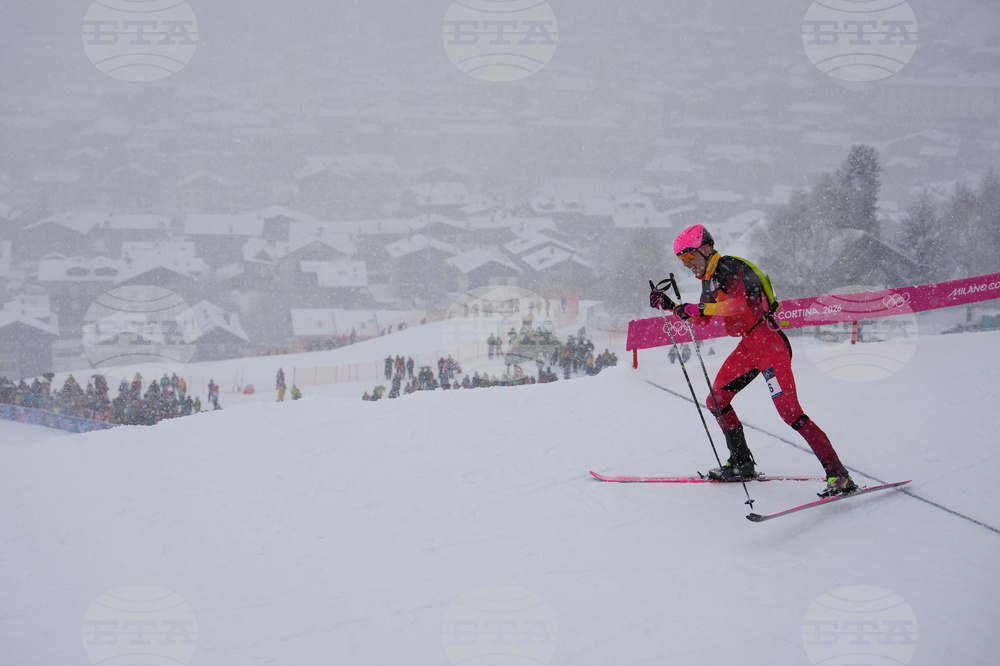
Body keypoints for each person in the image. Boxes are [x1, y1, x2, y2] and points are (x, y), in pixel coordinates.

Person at [649, 224, 856, 497]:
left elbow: (737, 305)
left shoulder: (728, 267)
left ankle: (839, 475)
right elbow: (702, 318)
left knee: (790, 414)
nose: (687, 264)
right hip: (748, 346)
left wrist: (697, 306)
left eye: (689, 257)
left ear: (705, 248)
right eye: (681, 260)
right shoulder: (709, 280)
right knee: (716, 401)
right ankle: (741, 464)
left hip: (770, 345)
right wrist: (672, 306)